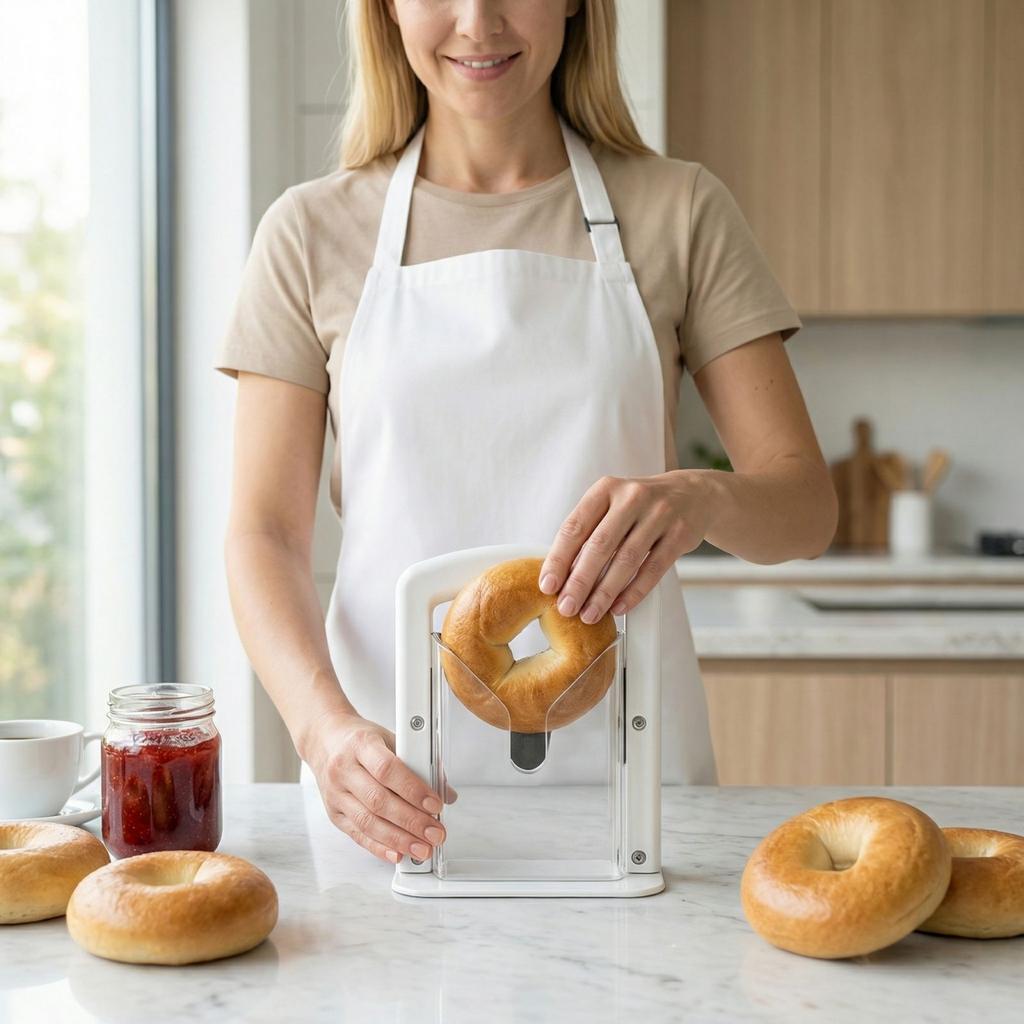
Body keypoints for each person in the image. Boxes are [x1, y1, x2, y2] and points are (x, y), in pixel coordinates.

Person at [216, 0, 837, 867]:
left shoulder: (679, 210)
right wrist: (324, 731)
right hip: (387, 795)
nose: (479, 22)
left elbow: (806, 508)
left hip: (636, 801)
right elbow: (263, 535)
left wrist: (701, 496)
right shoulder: (310, 232)